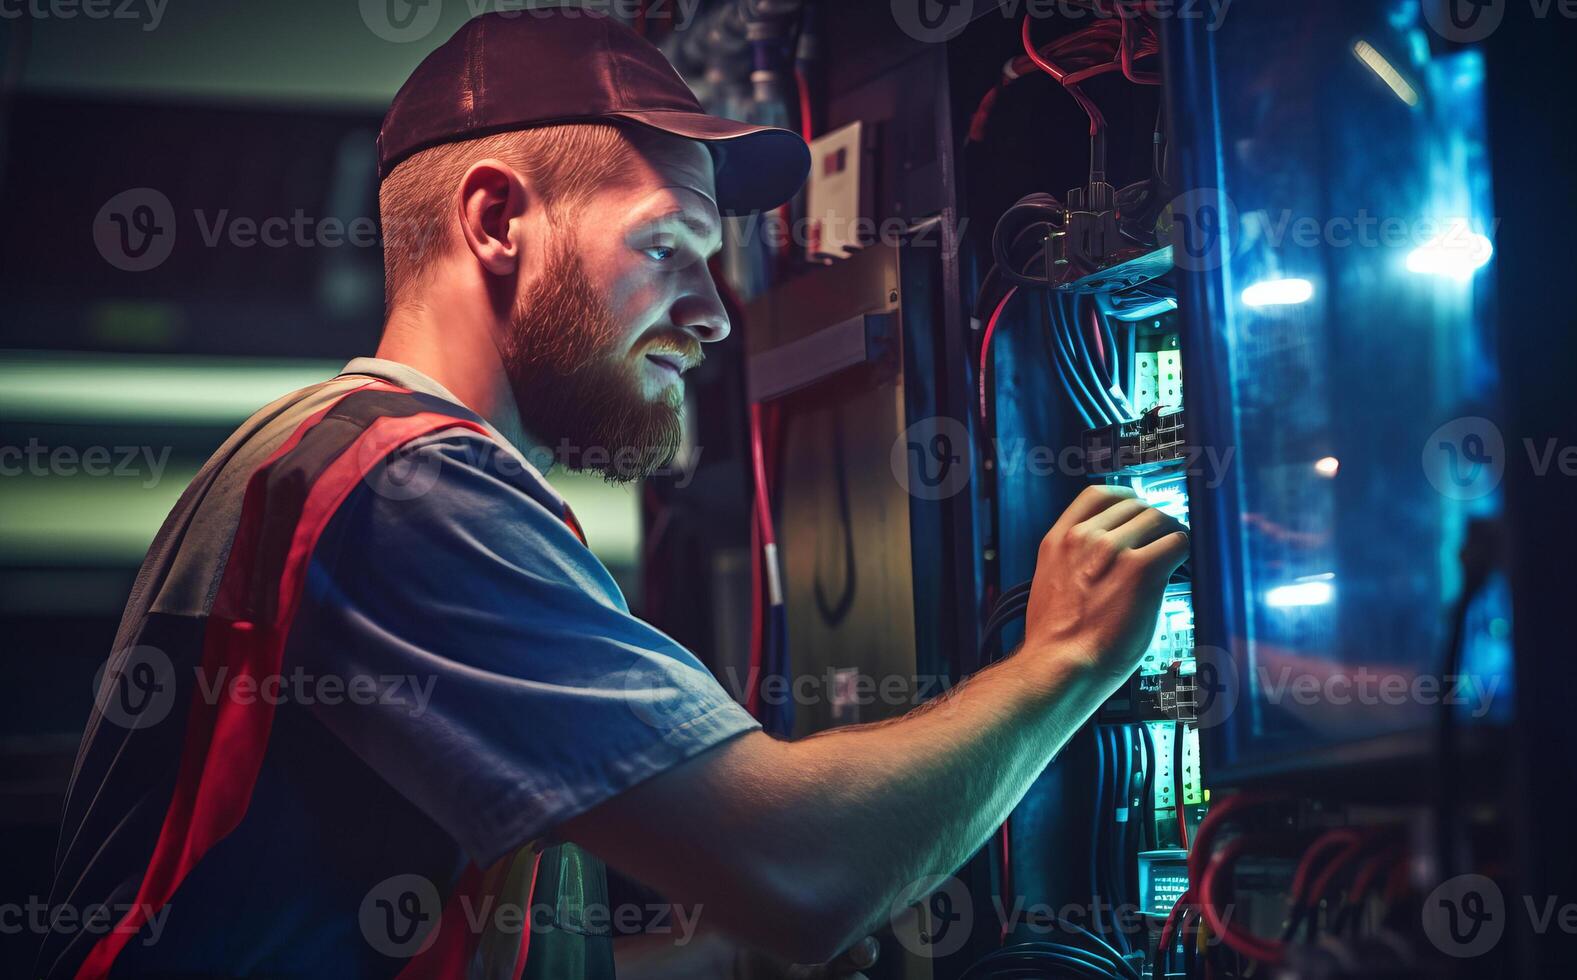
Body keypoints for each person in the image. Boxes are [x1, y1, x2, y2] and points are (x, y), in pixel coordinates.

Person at [40, 11, 1188, 979]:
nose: (715, 312)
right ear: (497, 221)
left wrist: (718, 951)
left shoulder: (317, 458)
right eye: (672, 245)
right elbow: (804, 868)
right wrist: (1066, 659)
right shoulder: (401, 486)